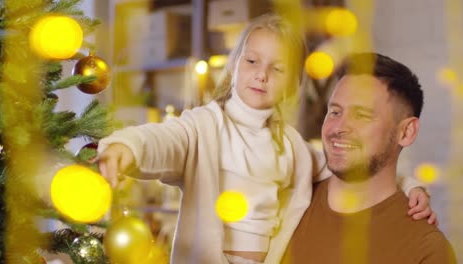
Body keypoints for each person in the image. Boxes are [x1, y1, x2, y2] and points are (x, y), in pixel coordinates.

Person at [98, 14, 434, 264]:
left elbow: (350, 165)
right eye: (253, 61)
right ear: (235, 66)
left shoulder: (291, 148)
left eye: (278, 68)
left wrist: (410, 185)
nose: (261, 74)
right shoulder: (204, 127)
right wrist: (125, 147)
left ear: (292, 83)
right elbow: (165, 140)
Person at [283, 52, 456, 264]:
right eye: (335, 112)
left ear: (406, 132)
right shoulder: (288, 201)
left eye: (362, 115)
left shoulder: (426, 249)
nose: (338, 128)